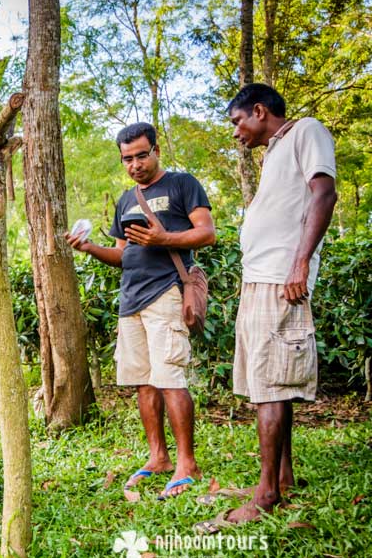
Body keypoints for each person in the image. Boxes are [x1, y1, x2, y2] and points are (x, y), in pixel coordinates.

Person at [65, 122, 215, 499]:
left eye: (141, 155)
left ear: (156, 150)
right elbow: (121, 254)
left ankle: (186, 463)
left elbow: (207, 233)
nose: (134, 164)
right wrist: (87, 248)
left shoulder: (182, 184)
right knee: (144, 383)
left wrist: (164, 238)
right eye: (127, 158)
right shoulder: (126, 199)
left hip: (166, 293)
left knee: (170, 380)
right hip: (130, 301)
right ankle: (158, 458)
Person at [221, 83, 337, 525]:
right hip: (261, 280)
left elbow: (324, 194)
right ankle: (281, 477)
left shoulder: (306, 130)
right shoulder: (276, 150)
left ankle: (267, 493)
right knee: (268, 384)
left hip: (281, 280)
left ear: (259, 110)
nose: (236, 133)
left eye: (237, 122)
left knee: (271, 386)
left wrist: (300, 264)